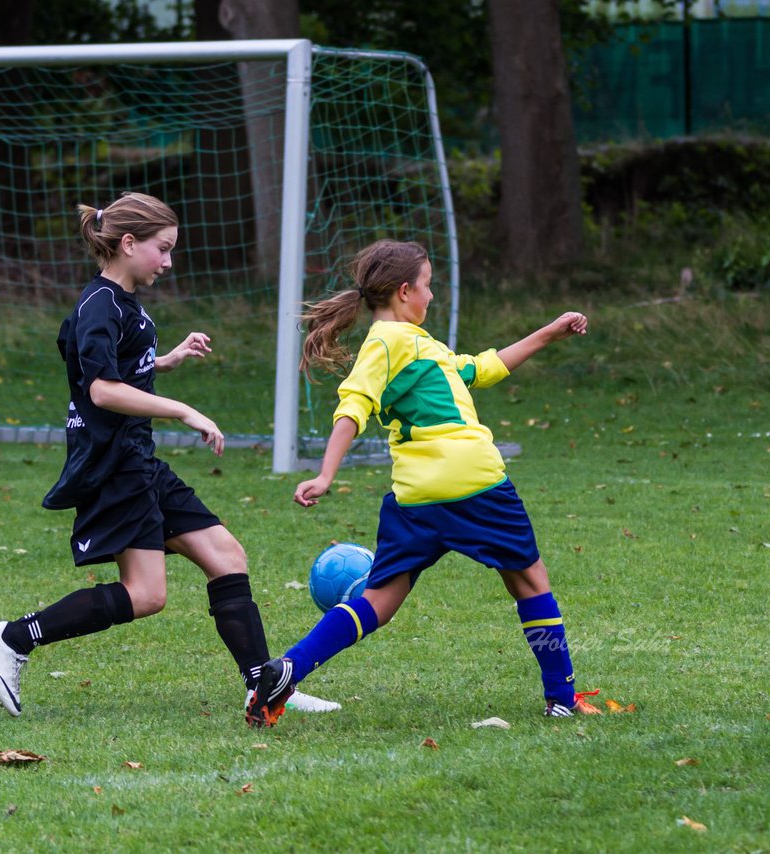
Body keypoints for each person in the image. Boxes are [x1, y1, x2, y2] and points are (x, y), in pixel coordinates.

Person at [0, 192, 338, 722]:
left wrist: (165, 360)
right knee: (145, 595)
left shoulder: (122, 303)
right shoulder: (99, 303)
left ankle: (263, 686)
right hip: (113, 466)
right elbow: (100, 389)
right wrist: (183, 410)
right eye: (162, 249)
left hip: (137, 460)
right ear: (127, 243)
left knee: (226, 556)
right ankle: (11, 637)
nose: (168, 262)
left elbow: (116, 369)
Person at [245, 239, 599, 727]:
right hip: (473, 482)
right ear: (404, 290)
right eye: (428, 287)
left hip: (414, 497)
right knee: (529, 580)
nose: (432, 297)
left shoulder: (417, 346)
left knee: (378, 601)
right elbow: (354, 403)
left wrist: (548, 333)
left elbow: (482, 369)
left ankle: (288, 669)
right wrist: (326, 472)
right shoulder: (390, 339)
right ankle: (563, 697)